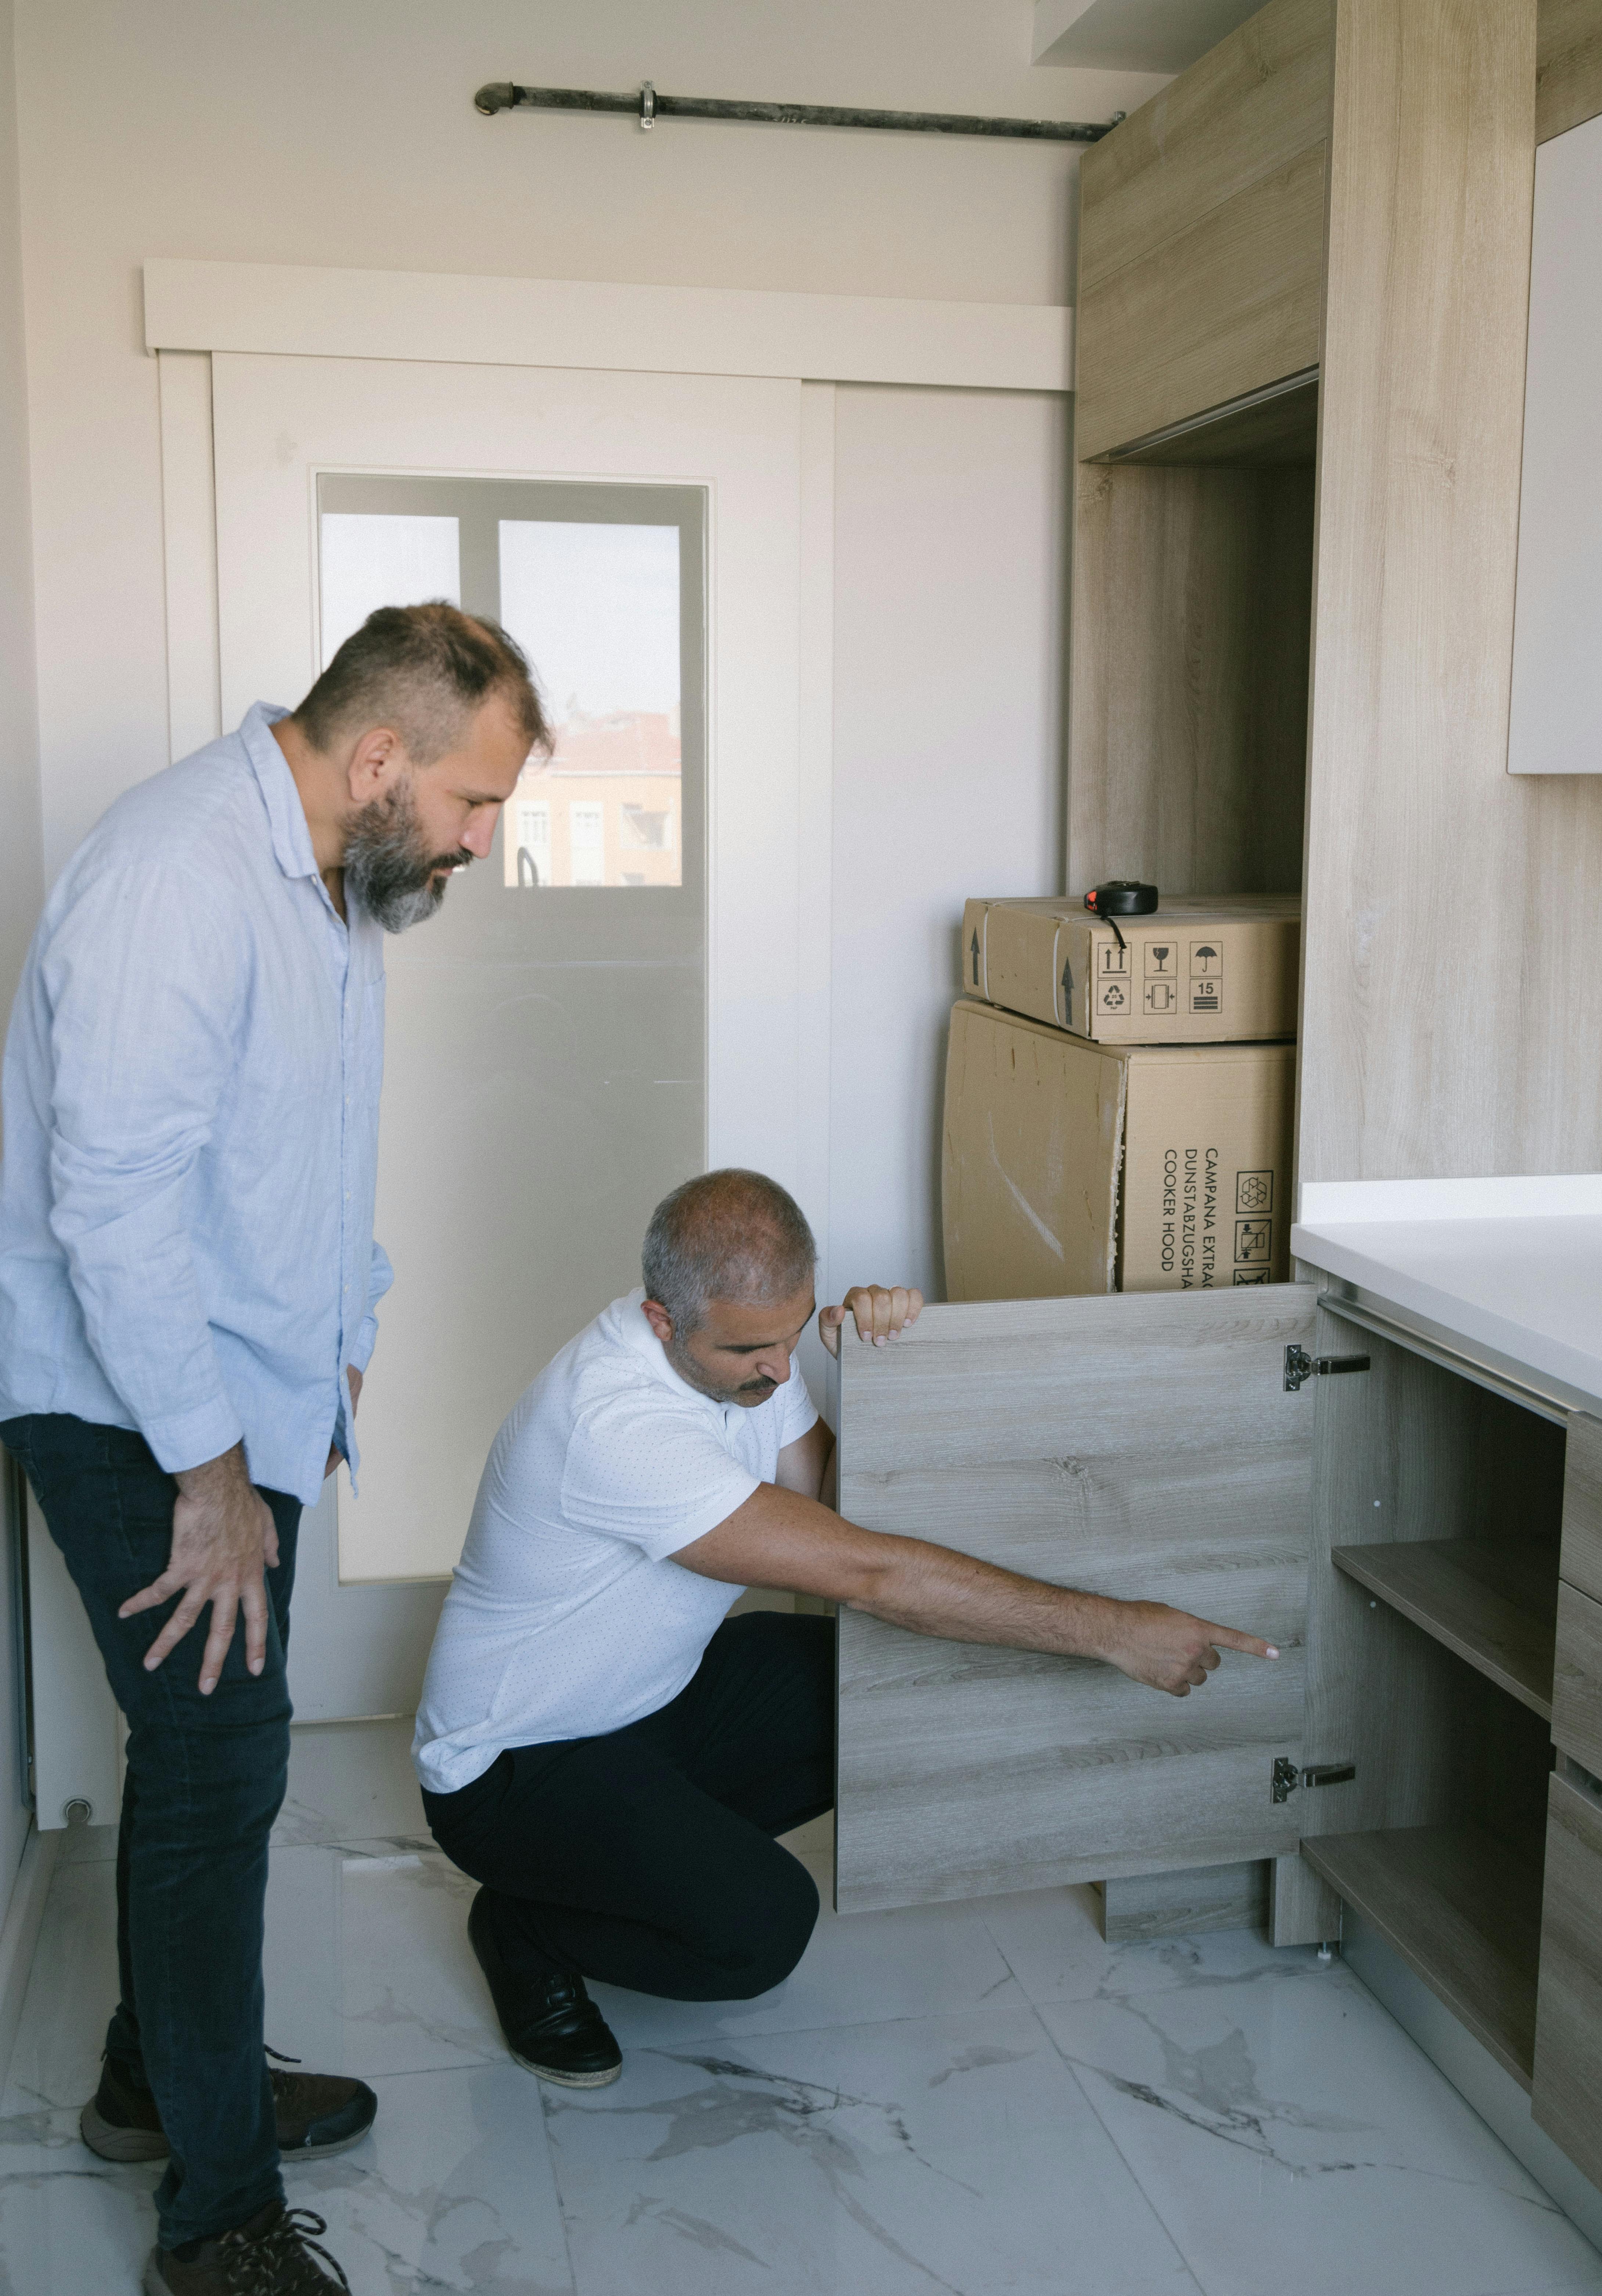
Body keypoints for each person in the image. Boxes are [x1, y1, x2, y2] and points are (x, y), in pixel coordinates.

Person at [0, 604, 547, 2296]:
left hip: (243, 1388)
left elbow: (303, 1145)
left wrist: (346, 1329)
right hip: (135, 1406)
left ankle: (154, 2080)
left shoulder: (333, 887)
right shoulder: (176, 874)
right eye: (472, 804)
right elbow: (114, 1207)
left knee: (202, 1758)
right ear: (380, 756)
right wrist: (213, 1471)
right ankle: (215, 2220)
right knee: (226, 1760)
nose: (475, 842)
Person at [414, 1168, 1278, 2090]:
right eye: (754, 1350)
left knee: (870, 1693)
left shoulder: (752, 1351)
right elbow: (865, 1571)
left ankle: (634, 1861)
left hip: (651, 1701)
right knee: (760, 1930)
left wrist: (875, 1362)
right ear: (662, 1321)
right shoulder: (613, 1423)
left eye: (795, 1334)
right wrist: (1113, 1630)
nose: (781, 1371)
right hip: (516, 1767)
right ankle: (524, 1924)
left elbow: (823, 1498)